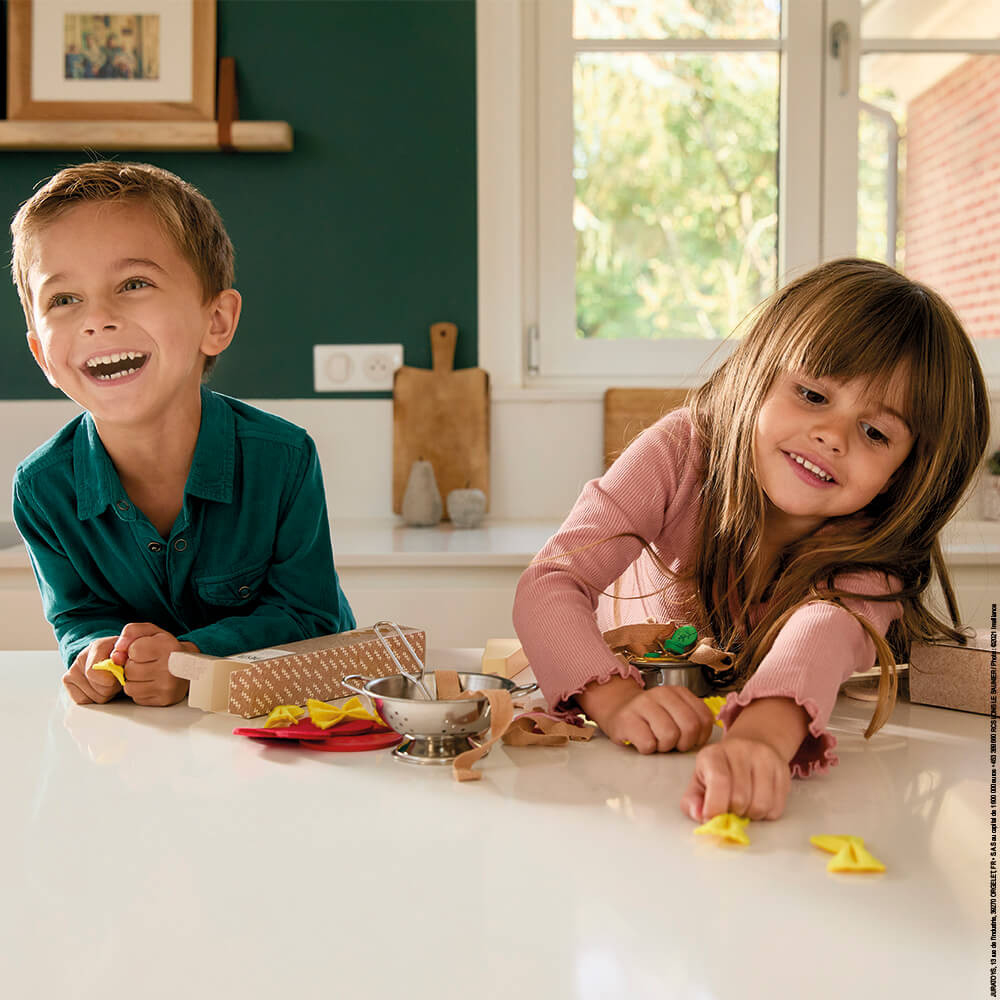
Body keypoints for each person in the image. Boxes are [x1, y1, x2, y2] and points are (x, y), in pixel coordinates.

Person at [513, 258, 988, 824]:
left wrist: (760, 742)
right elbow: (551, 581)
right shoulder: (679, 453)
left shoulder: (874, 553)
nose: (831, 436)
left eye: (875, 432)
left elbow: (822, 633)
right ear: (760, 373)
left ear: (906, 474)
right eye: (813, 395)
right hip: (630, 778)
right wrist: (617, 702)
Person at [10, 161, 355, 707]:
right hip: (142, 750)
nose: (96, 318)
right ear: (42, 356)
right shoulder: (41, 489)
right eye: (64, 299)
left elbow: (308, 616)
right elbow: (78, 614)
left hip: (295, 724)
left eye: (133, 284)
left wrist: (189, 658)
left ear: (216, 321)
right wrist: (96, 652)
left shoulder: (283, 458)